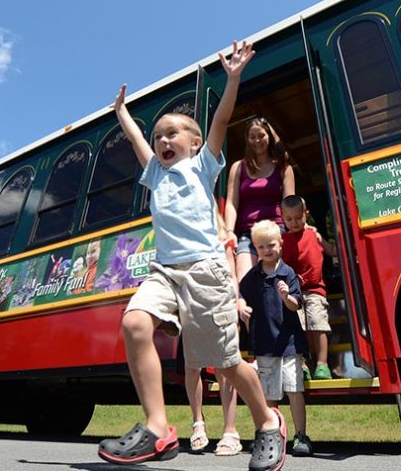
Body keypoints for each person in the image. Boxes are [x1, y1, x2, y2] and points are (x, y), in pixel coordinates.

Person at [98, 40, 288, 471]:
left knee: (226, 362)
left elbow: (222, 118)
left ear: (195, 141)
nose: (163, 140)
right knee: (134, 322)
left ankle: (267, 421)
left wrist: (233, 76)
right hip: (165, 271)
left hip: (205, 272)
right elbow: (135, 142)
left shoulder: (204, 164)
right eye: (158, 136)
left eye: (172, 133)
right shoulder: (155, 174)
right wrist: (122, 113)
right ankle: (158, 426)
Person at [239, 219, 312, 457]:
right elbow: (240, 294)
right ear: (255, 249)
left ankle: (301, 435)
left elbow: (295, 305)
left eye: (271, 245)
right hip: (265, 344)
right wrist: (241, 306)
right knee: (269, 395)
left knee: (294, 389)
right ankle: (272, 435)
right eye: (261, 247)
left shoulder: (287, 272)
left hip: (290, 343)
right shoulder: (253, 276)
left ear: (280, 244)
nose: (267, 250)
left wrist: (286, 296)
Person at [184, 209, 242, 456]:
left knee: (226, 366)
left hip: (221, 303)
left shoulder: (222, 238)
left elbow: (232, 274)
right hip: (191, 304)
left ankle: (230, 431)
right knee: (192, 366)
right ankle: (198, 423)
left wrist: (235, 302)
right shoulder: (183, 241)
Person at [225, 117, 295, 283]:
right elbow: (231, 203)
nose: (257, 140)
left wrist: (299, 225)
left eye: (261, 135)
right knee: (245, 282)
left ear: (269, 136)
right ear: (247, 140)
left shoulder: (284, 167)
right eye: (252, 136)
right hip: (247, 234)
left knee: (275, 282)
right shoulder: (238, 167)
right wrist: (229, 232)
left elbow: (290, 203)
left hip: (275, 230)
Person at [281, 195, 337, 380]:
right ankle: (303, 364)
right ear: (283, 218)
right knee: (299, 328)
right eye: (289, 219)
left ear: (306, 214)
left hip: (315, 290)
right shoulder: (284, 241)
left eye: (298, 218)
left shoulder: (314, 234)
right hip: (294, 293)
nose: (294, 222)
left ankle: (322, 364)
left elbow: (332, 252)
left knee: (318, 324)